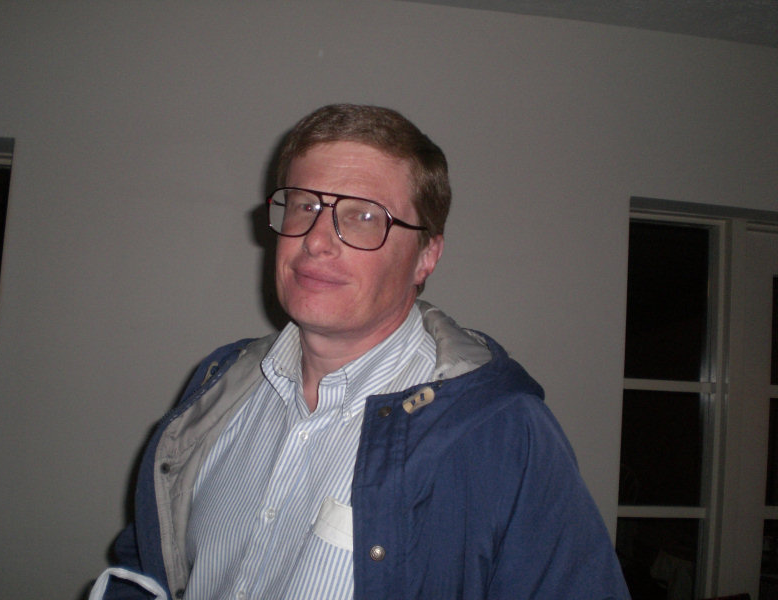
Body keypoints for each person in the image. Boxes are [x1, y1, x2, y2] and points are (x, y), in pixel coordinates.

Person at [93, 104, 630, 599]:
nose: (316, 240)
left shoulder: (502, 432)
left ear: (426, 255)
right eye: (304, 205)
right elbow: (149, 564)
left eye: (364, 216)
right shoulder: (217, 388)